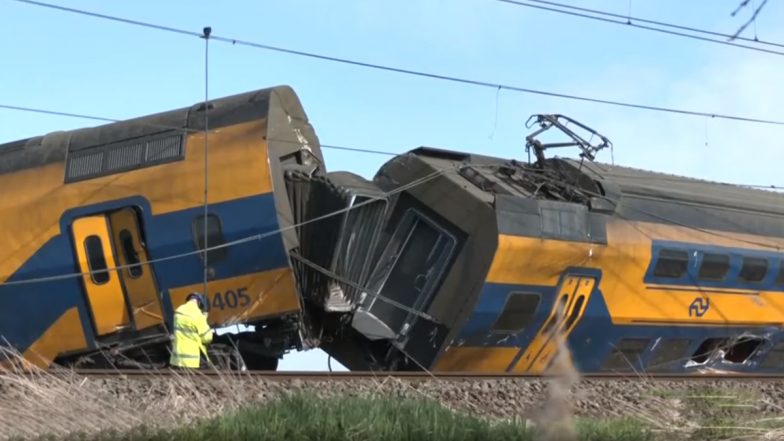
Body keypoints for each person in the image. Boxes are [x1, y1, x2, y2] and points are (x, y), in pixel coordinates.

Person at [169, 292, 214, 369]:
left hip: (177, 359)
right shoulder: (198, 315)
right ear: (199, 303)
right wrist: (204, 319)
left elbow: (187, 327)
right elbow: (207, 338)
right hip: (192, 360)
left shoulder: (178, 311)